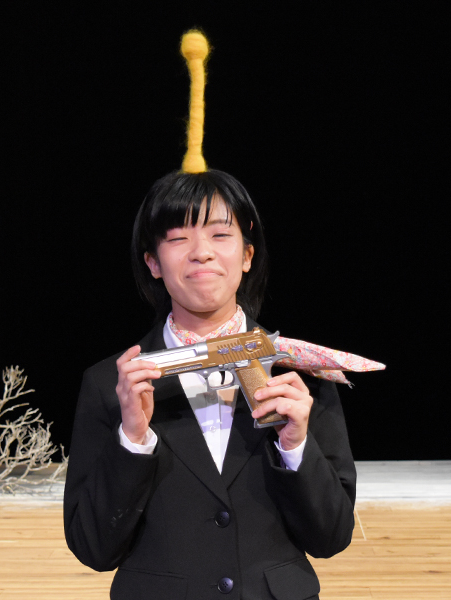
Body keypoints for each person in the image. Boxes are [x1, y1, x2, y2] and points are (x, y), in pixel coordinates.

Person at [64, 30, 372, 600]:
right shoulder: (113, 385)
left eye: (220, 234)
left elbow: (331, 538)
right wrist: (132, 437)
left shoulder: (299, 373)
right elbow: (92, 548)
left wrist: (295, 443)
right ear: (153, 262)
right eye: (178, 238)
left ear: (247, 255)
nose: (201, 252)